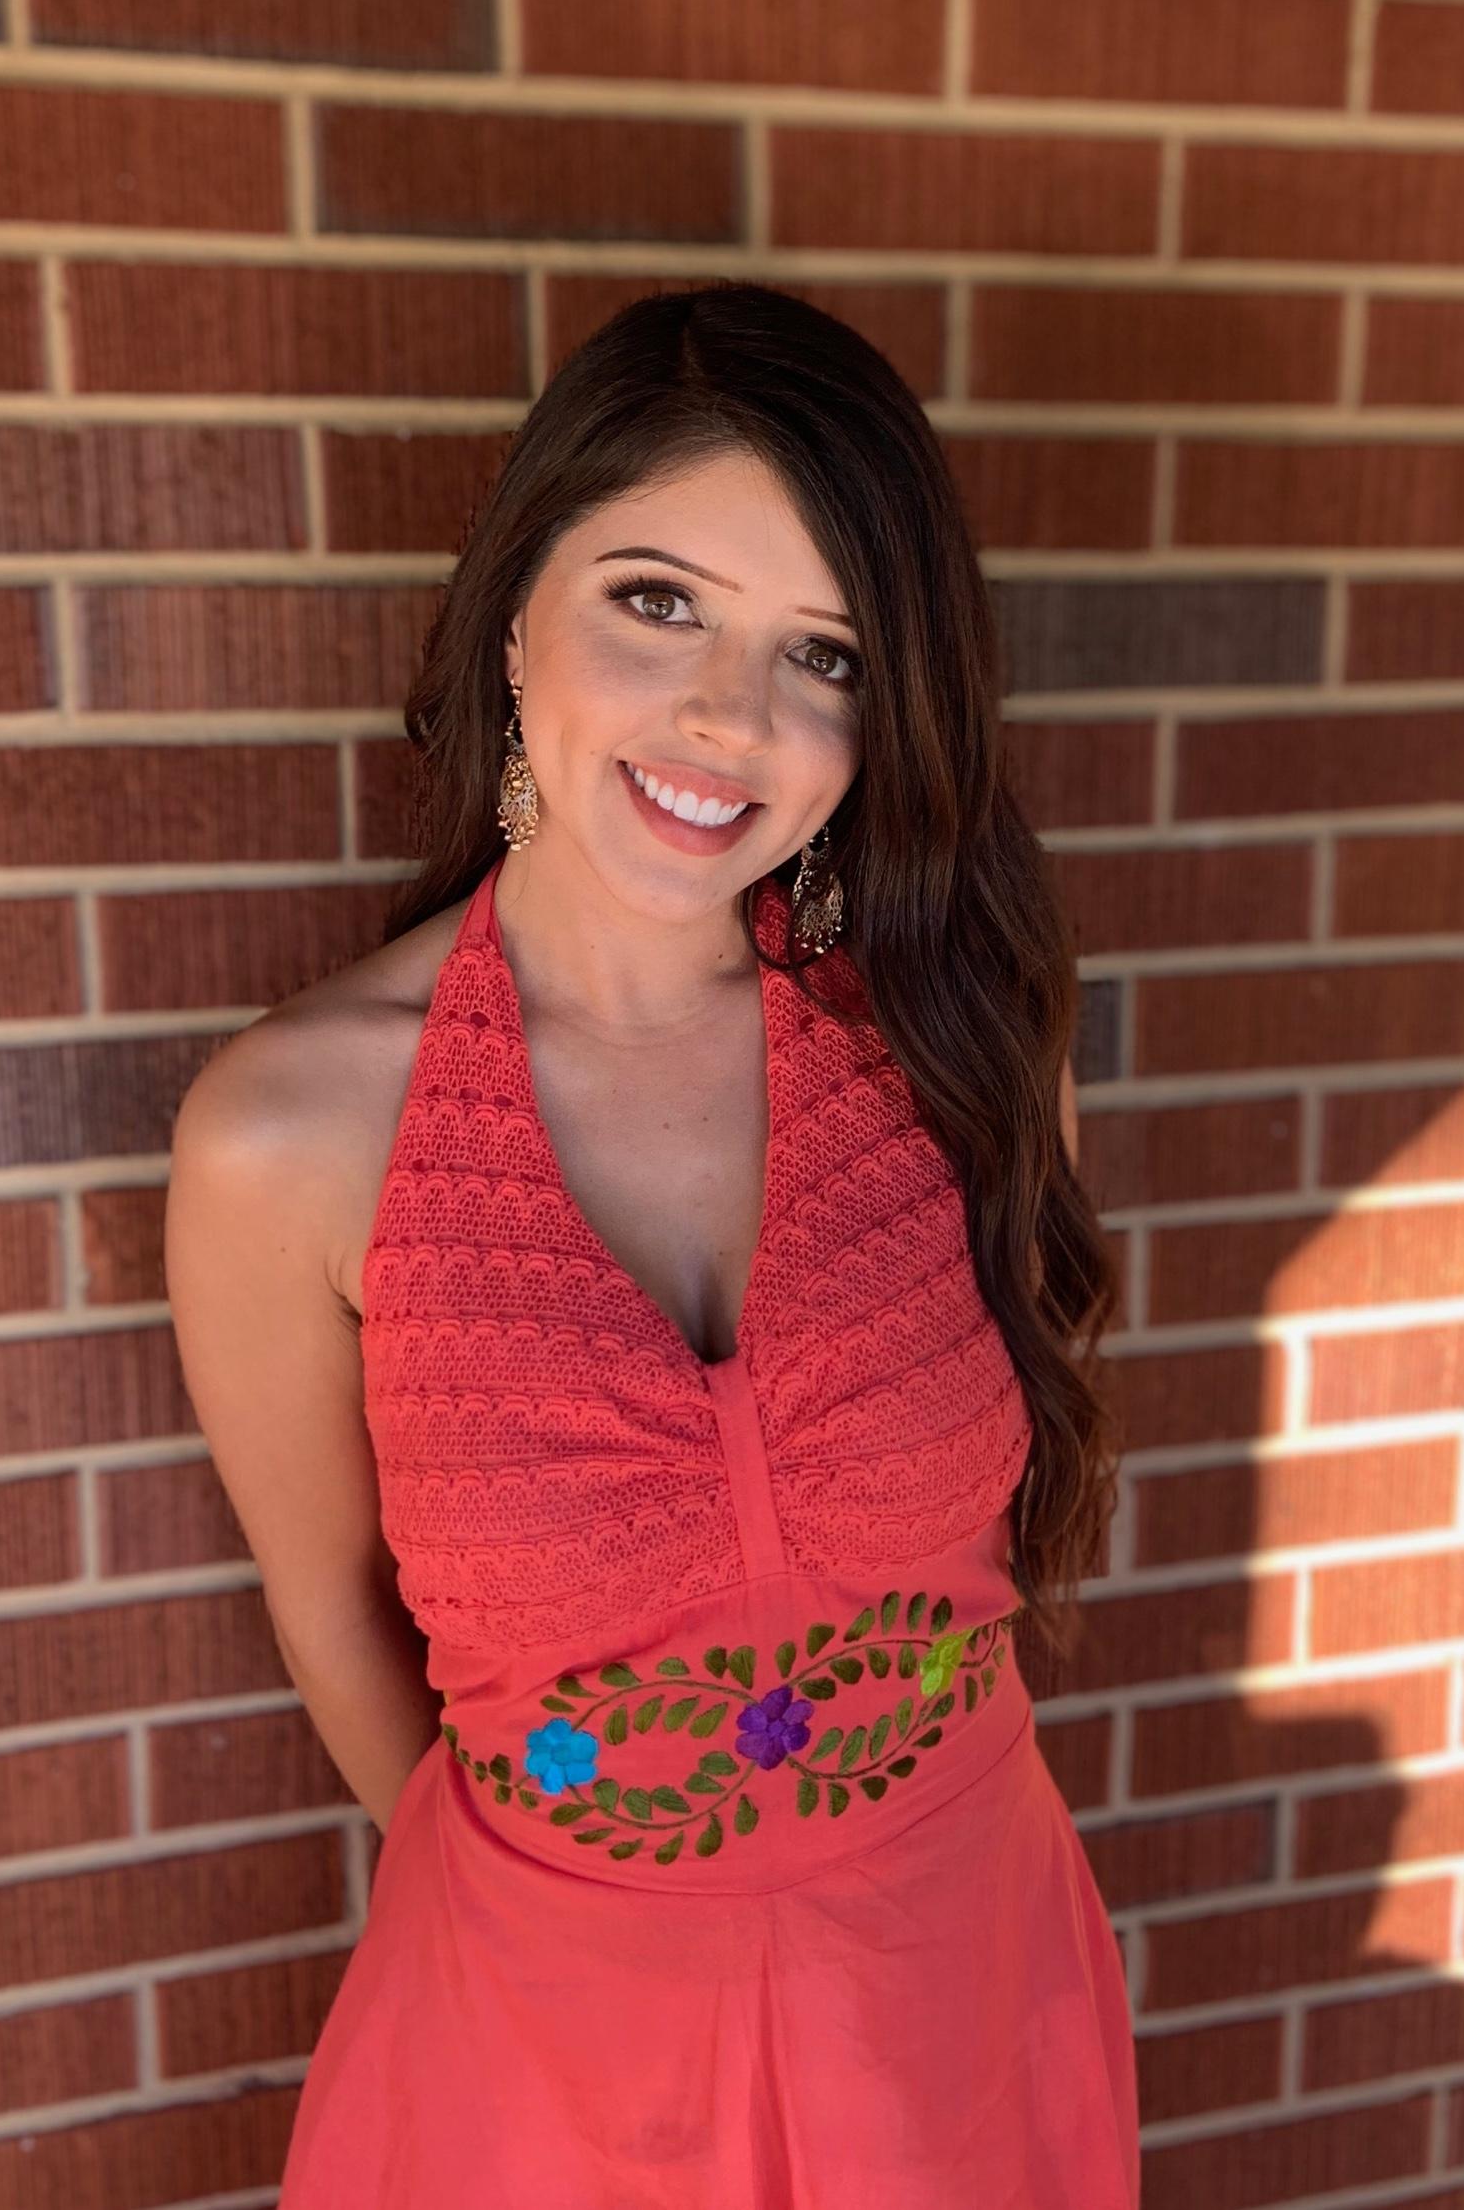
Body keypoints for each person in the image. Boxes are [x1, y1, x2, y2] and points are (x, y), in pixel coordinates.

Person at [164, 281, 1139, 2206]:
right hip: (542, 2060)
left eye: (825, 653)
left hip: (962, 2004)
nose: (728, 719)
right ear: (514, 608)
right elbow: (332, 1608)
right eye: (659, 601)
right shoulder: (289, 1136)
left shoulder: (957, 1043)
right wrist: (576, 1909)